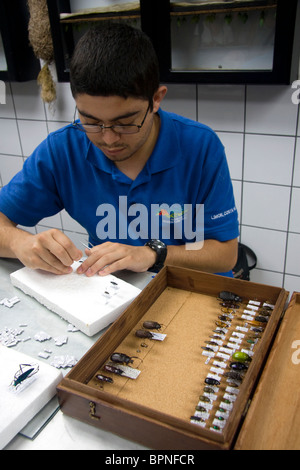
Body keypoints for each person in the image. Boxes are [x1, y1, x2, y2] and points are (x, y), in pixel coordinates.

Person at [0, 22, 239, 278]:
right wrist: (20, 243)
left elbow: (225, 254)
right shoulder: (63, 149)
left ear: (156, 99)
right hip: (108, 294)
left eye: (125, 123)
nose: (109, 138)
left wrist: (152, 255)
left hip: (186, 290)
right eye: (91, 122)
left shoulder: (199, 146)